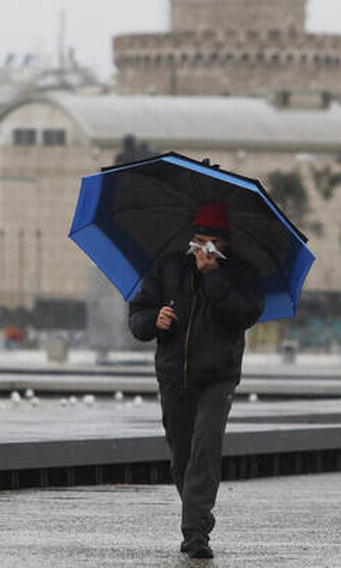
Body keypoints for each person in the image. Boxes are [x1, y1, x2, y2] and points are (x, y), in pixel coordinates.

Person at [129, 202, 264, 560]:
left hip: (218, 378)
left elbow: (244, 315)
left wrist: (214, 276)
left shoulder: (243, 274)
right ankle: (199, 515)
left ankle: (194, 534)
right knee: (183, 458)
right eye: (198, 240)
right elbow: (137, 316)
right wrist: (153, 320)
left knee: (205, 452)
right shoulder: (168, 268)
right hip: (174, 376)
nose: (202, 248)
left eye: (210, 242)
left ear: (224, 243)